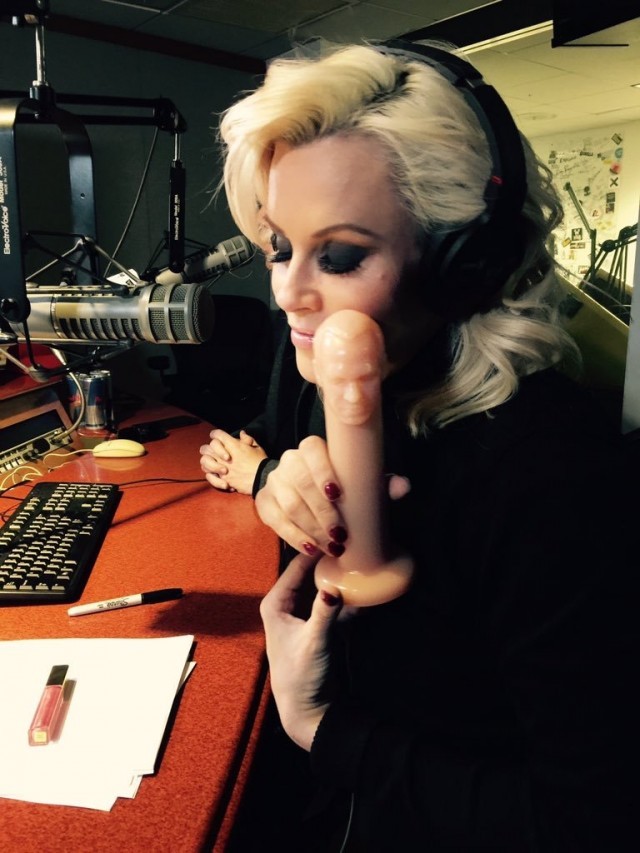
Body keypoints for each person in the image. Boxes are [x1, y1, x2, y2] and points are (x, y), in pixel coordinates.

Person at [199, 40, 638, 851]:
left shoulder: (553, 477)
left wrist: (319, 725)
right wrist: (278, 484)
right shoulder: (319, 372)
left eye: (339, 256)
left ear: (462, 265)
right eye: (279, 247)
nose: (288, 291)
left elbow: (594, 822)